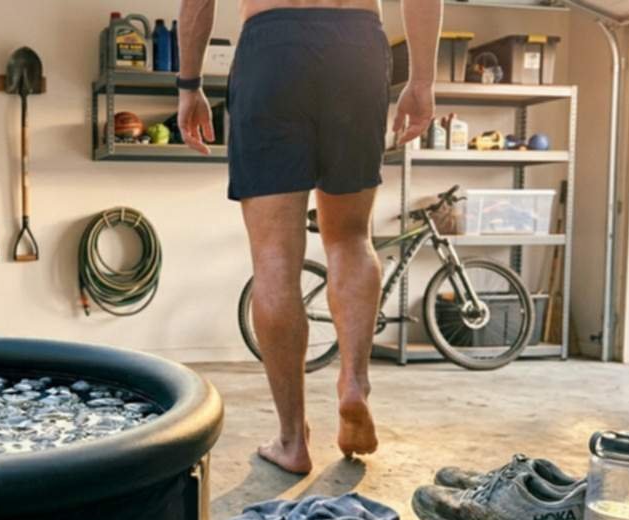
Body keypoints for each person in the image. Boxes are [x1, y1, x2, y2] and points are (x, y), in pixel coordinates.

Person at [177, 0, 441, 474]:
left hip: (270, 48)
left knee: (274, 260)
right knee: (350, 239)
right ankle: (354, 381)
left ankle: (292, 440)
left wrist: (189, 85)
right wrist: (421, 81)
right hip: (355, 47)